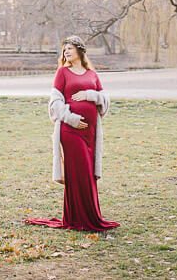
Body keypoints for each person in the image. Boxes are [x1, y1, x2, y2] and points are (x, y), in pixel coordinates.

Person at [25, 35, 119, 232]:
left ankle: (91, 216)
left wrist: (89, 95)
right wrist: (72, 119)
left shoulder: (92, 74)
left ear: (79, 50)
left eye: (70, 48)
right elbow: (54, 104)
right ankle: (79, 218)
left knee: (89, 174)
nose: (66, 52)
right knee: (79, 173)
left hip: (91, 134)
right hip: (71, 131)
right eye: (64, 49)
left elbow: (105, 99)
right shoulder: (62, 73)